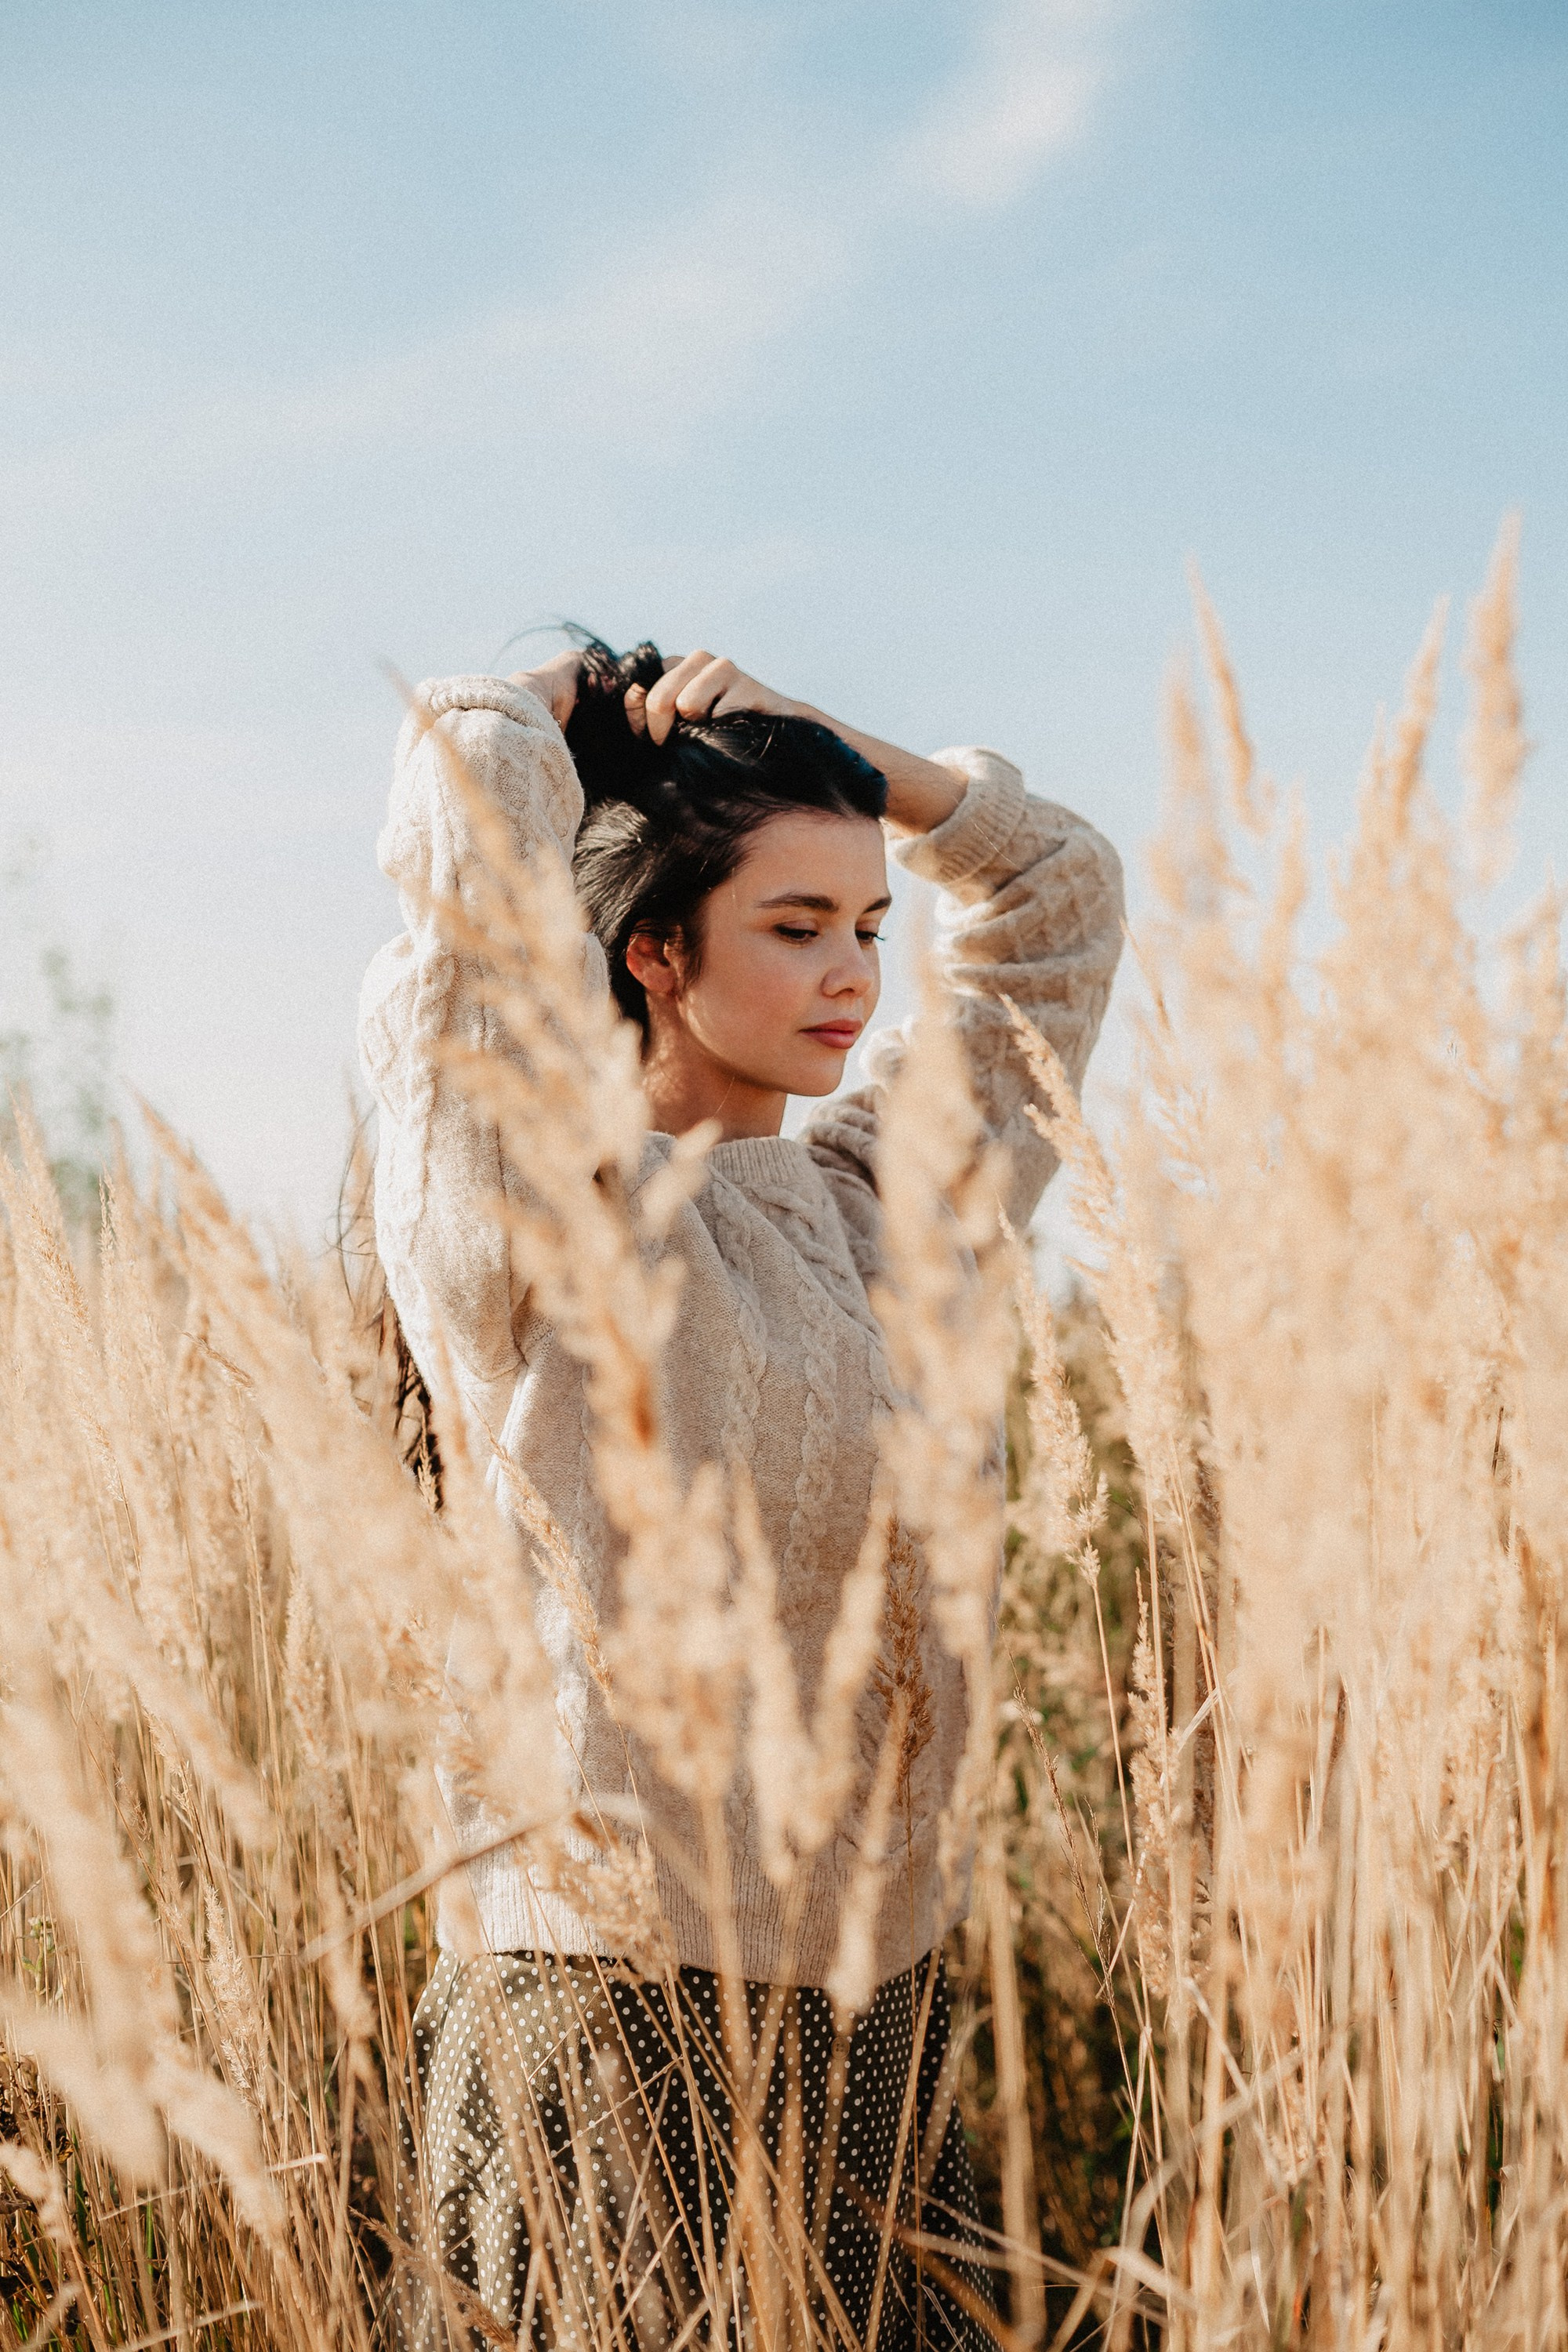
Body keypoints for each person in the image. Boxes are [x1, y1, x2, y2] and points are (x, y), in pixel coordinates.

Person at [360, 640, 1124, 2349]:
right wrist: (509, 724)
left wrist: (840, 753)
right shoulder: (537, 1212)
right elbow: (464, 955)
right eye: (795, 928)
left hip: (876, 1993)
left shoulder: (879, 1210)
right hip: (604, 2000)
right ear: (651, 949)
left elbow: (1058, 899)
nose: (853, 974)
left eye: (868, 927)